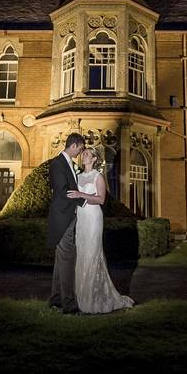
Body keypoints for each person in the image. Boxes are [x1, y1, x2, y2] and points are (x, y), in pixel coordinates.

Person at [66, 147, 134, 314]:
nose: (84, 155)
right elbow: (74, 197)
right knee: (81, 254)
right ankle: (81, 297)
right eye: (83, 153)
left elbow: (101, 199)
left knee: (92, 254)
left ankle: (94, 298)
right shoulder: (78, 176)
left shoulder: (98, 176)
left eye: (88, 154)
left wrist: (80, 194)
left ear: (95, 159)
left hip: (93, 218)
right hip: (81, 218)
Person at [47, 132, 86, 314]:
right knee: (68, 260)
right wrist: (85, 201)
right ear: (74, 145)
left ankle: (55, 299)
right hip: (63, 217)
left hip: (67, 216)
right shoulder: (57, 163)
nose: (80, 152)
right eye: (80, 148)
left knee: (61, 260)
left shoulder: (68, 163)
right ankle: (69, 305)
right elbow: (63, 192)